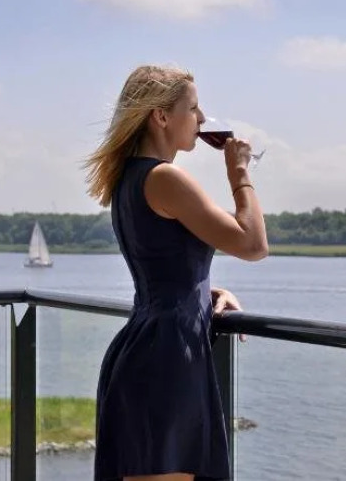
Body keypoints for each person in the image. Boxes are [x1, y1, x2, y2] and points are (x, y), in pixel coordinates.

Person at [83, 64, 269, 481]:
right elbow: (253, 244)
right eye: (193, 108)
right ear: (161, 116)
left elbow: (162, 267)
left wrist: (206, 291)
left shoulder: (130, 178)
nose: (202, 119)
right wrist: (239, 173)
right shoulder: (164, 177)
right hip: (167, 361)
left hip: (151, 350)